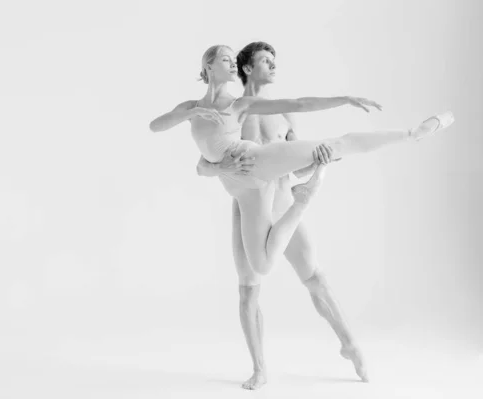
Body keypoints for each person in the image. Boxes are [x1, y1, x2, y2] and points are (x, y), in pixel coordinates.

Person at [149, 43, 453, 279]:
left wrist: (344, 99)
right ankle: (302, 200)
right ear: (209, 65)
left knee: (334, 146)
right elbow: (156, 126)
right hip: (240, 189)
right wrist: (190, 115)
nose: (231, 64)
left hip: (255, 162)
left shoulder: (239, 104)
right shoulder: (188, 107)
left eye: (233, 59)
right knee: (263, 266)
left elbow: (298, 104)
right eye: (226, 59)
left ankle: (412, 133)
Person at [196, 42, 367, 390]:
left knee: (315, 278)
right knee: (248, 291)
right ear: (246, 68)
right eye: (265, 61)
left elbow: (299, 168)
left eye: (275, 61)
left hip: (284, 198)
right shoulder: (232, 112)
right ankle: (259, 369)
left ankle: (349, 344)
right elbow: (203, 164)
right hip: (249, 205)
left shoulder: (284, 115)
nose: (273, 67)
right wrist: (223, 166)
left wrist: (319, 160)